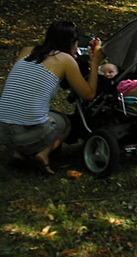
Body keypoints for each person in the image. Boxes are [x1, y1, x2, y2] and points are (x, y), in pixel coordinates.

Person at [0, 21, 104, 175]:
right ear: (71, 42)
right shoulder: (65, 60)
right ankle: (43, 154)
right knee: (65, 122)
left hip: (2, 130)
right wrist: (95, 64)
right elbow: (88, 94)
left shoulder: (27, 51)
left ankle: (19, 153)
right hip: (26, 132)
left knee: (30, 110)